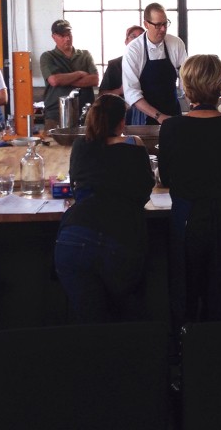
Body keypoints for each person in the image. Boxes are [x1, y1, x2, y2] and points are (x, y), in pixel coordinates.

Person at [158, 55, 221, 333]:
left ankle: (183, 362)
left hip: (188, 218)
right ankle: (219, 363)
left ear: (187, 87)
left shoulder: (172, 127)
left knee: (185, 297)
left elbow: (167, 177)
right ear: (219, 85)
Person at [54, 94, 155, 323]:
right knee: (124, 321)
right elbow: (144, 191)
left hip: (73, 237)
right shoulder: (134, 146)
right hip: (121, 238)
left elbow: (76, 188)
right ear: (122, 123)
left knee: (87, 321)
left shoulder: (80, 145)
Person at [123, 3, 188, 125]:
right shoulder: (134, 50)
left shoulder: (175, 43)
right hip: (144, 116)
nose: (163, 29)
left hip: (172, 111)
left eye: (165, 24)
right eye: (158, 25)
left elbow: (186, 78)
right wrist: (159, 116)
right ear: (146, 24)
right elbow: (131, 92)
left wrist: (193, 106)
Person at [40, 20, 99, 132]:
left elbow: (95, 80)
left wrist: (64, 79)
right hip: (56, 115)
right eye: (62, 36)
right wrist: (79, 74)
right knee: (54, 148)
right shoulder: (47, 57)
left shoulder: (85, 55)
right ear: (54, 37)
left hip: (85, 114)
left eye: (69, 35)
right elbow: (54, 81)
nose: (67, 39)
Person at [99, 25, 144, 97]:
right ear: (126, 42)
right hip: (121, 106)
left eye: (141, 37)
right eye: (133, 36)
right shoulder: (114, 65)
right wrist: (119, 90)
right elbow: (102, 94)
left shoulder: (152, 63)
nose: (137, 40)